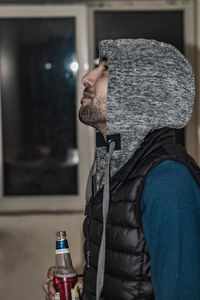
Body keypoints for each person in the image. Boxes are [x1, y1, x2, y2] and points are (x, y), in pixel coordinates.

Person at [43, 39, 200, 300]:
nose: (86, 78)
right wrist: (88, 290)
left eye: (105, 70)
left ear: (140, 92)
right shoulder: (115, 171)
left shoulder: (168, 180)